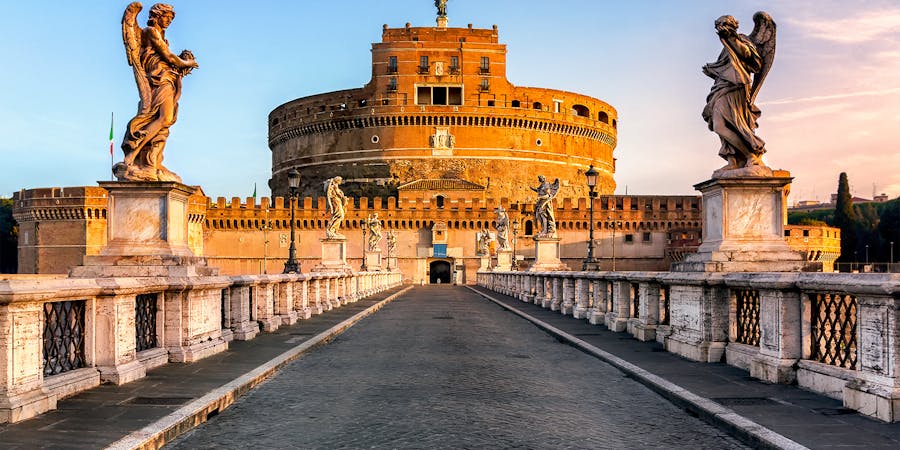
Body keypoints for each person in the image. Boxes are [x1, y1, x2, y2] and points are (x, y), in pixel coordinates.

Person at [118, 3, 198, 182]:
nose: (168, 21)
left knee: (163, 123)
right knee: (164, 118)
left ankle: (152, 161)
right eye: (167, 17)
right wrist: (187, 64)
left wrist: (179, 69)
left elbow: (168, 60)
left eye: (171, 18)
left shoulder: (161, 36)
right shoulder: (150, 32)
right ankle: (132, 155)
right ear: (157, 15)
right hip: (158, 79)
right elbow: (168, 57)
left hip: (166, 78)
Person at [702, 13, 776, 172]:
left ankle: (751, 155)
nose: (720, 28)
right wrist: (712, 70)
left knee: (732, 123)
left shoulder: (741, 39)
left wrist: (732, 38)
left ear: (731, 25)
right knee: (719, 125)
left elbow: (749, 57)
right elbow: (726, 68)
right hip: (722, 88)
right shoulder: (725, 48)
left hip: (736, 88)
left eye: (723, 24)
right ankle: (733, 160)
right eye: (718, 26)